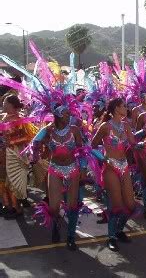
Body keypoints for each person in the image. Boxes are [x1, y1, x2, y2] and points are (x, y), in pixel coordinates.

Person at [91, 97, 146, 251]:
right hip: (110, 168)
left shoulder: (126, 125)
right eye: (123, 106)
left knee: (130, 205)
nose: (126, 108)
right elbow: (92, 145)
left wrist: (143, 143)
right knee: (116, 205)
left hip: (124, 166)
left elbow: (133, 144)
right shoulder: (105, 126)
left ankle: (119, 230)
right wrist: (103, 158)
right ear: (116, 108)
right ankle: (111, 237)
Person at [31, 103, 85, 250]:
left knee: (72, 205)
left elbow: (82, 150)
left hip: (72, 169)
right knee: (54, 207)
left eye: (69, 113)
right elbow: (35, 141)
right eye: (66, 114)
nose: (69, 116)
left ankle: (71, 237)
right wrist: (36, 154)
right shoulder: (48, 130)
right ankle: (56, 224)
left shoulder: (74, 130)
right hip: (55, 169)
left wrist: (83, 168)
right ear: (58, 115)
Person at [0, 95, 34, 219]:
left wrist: (12, 142)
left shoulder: (20, 120)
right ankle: (10, 207)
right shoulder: (3, 118)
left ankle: (17, 209)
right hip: (4, 155)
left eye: (5, 102)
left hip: (16, 155)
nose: (3, 104)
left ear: (11, 105)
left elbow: (28, 137)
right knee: (6, 182)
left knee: (15, 182)